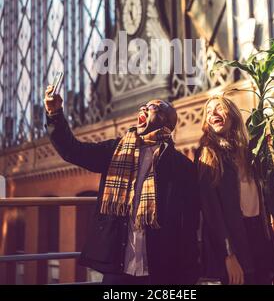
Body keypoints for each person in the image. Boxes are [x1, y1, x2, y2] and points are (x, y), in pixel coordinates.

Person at [44, 86, 199, 285]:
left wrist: (189, 275)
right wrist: (54, 113)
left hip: (159, 268)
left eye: (153, 107)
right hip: (119, 266)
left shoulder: (182, 167)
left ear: (167, 123)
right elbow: (73, 151)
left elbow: (189, 224)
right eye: (143, 106)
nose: (144, 108)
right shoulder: (116, 151)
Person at [194, 95, 274, 285]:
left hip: (261, 242)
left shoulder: (251, 153)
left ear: (233, 114)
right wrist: (229, 255)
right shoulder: (207, 154)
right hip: (234, 243)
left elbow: (265, 209)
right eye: (208, 111)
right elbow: (211, 211)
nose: (213, 113)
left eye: (219, 107)